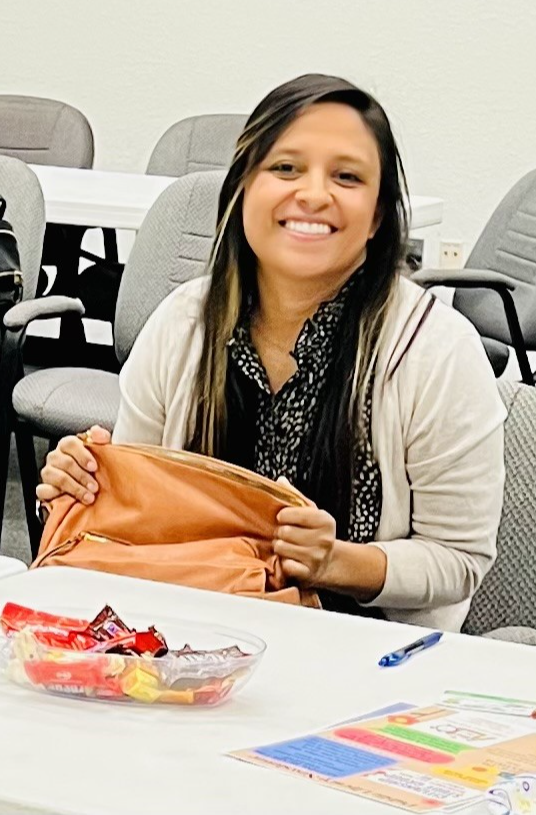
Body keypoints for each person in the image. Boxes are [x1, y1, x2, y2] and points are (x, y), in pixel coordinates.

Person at [37, 74, 506, 631]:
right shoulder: (182, 325)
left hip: (362, 649)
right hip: (186, 635)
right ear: (242, 188)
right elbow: (136, 523)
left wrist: (338, 563)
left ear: (378, 215)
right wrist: (85, 487)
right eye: (285, 168)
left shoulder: (437, 352)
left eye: (347, 176)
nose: (313, 194)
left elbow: (457, 560)